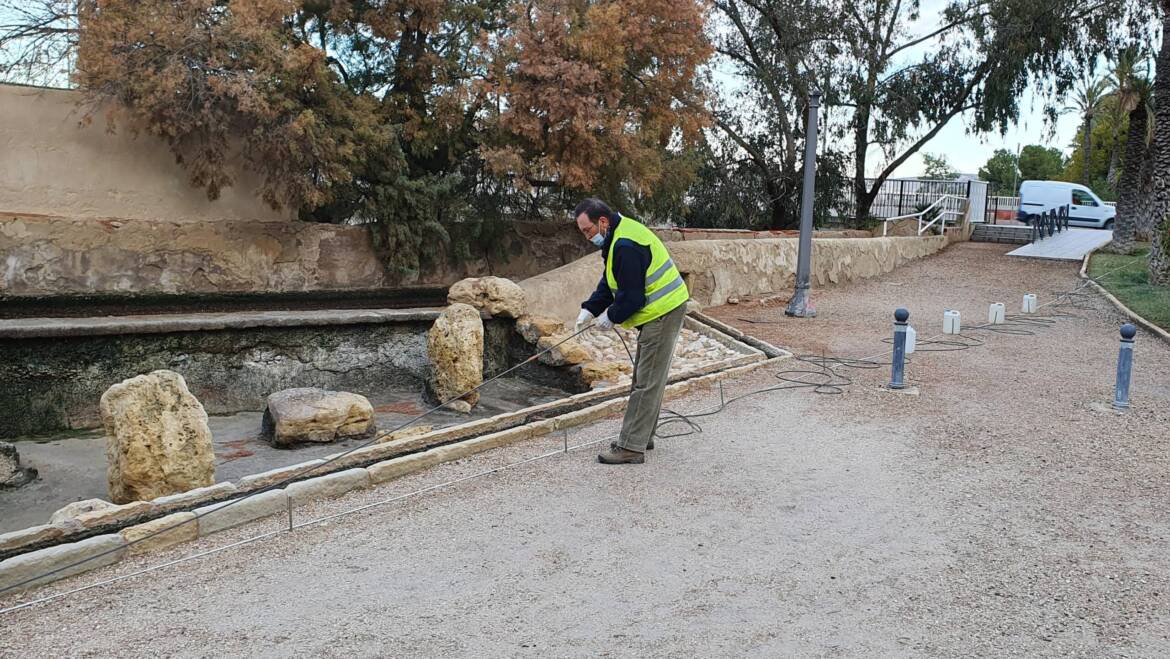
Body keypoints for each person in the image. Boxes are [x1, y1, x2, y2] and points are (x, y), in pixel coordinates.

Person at [572, 198, 689, 465]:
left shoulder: (625, 244)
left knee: (646, 381)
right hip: (660, 309)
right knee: (646, 376)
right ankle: (641, 435)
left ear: (602, 222)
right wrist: (590, 308)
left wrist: (610, 316)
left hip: (663, 310)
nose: (587, 237)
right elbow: (611, 279)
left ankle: (631, 447)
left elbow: (632, 297)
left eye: (587, 230)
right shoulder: (617, 235)